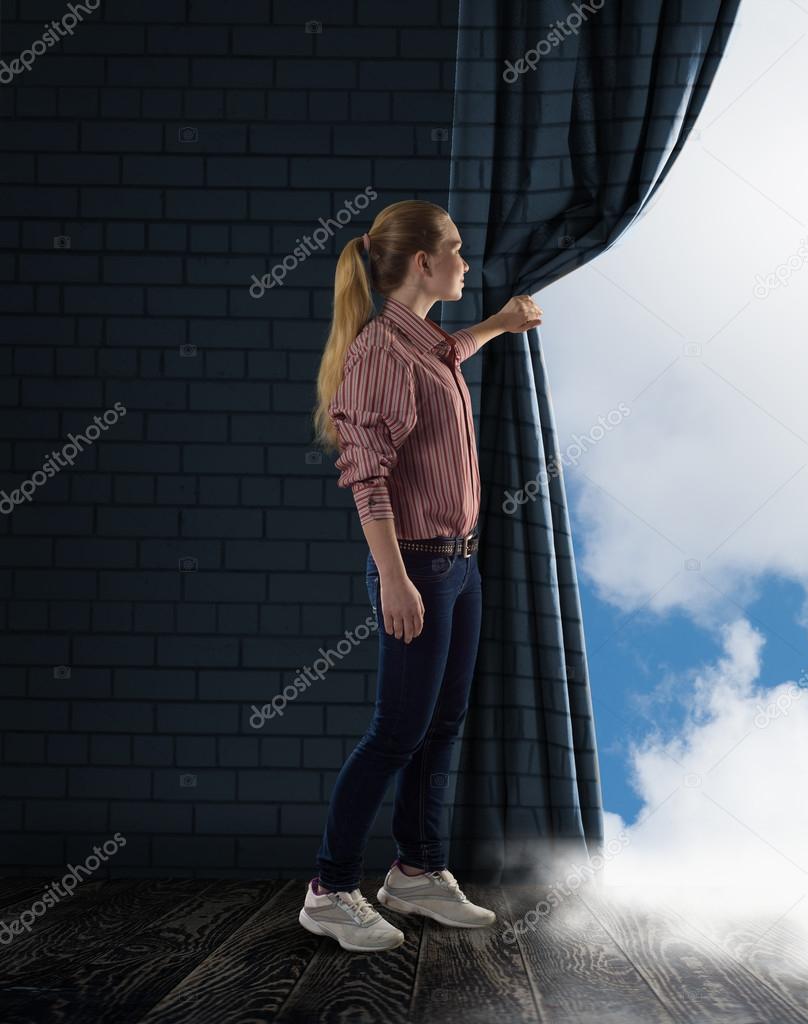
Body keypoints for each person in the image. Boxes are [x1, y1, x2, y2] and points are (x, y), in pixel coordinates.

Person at [300, 199, 543, 952]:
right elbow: (366, 478)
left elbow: (447, 358)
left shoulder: (424, 343)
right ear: (421, 264)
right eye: (458, 250)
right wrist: (395, 579)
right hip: (421, 570)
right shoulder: (379, 353)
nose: (467, 263)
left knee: (441, 726)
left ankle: (415, 871)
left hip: (459, 566)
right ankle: (329, 889)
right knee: (395, 734)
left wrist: (498, 326)